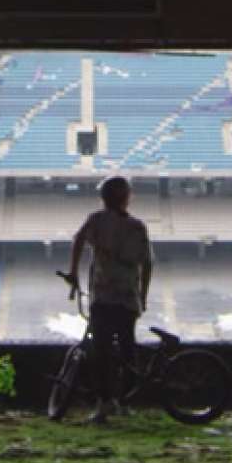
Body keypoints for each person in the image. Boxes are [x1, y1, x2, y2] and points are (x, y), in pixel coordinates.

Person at [67, 176, 153, 423]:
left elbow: (78, 240)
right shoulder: (137, 227)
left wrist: (73, 272)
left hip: (103, 296)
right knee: (127, 348)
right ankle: (124, 400)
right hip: (128, 297)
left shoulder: (96, 220)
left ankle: (104, 402)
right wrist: (143, 295)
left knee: (101, 350)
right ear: (126, 198)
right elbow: (147, 264)